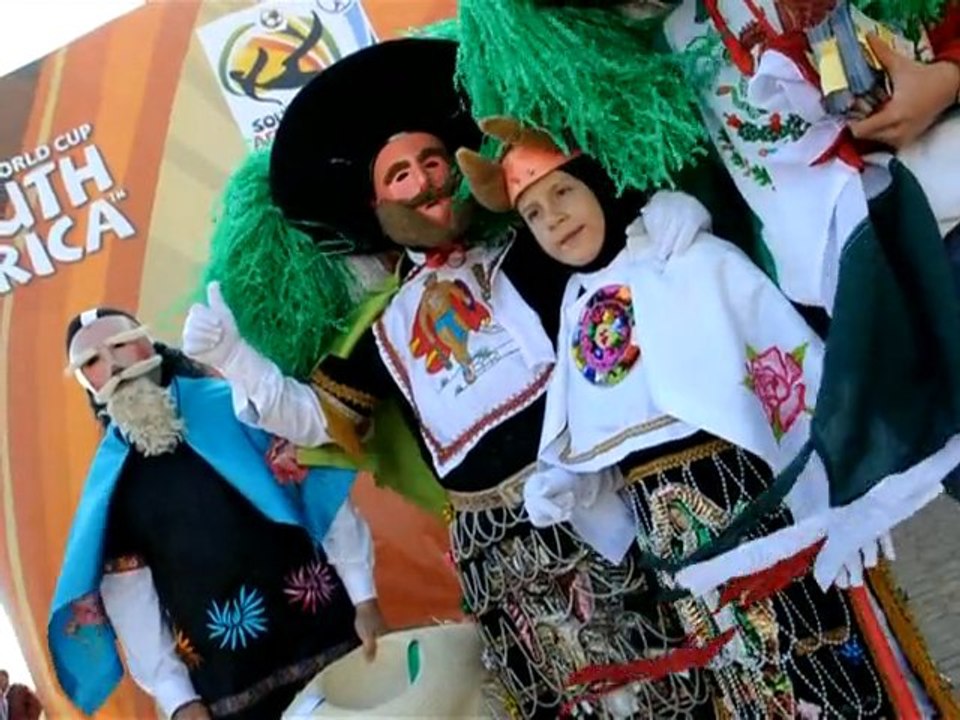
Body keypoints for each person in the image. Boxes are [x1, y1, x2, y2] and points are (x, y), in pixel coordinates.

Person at [186, 38, 715, 718]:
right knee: (576, 698)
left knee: (680, 662)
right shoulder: (383, 329)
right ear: (377, 205)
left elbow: (602, 247)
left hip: (605, 492)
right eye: (401, 174)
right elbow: (323, 421)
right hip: (501, 551)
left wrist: (653, 218)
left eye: (433, 161)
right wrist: (239, 361)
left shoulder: (527, 246)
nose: (426, 181)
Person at [458, 116, 957, 717]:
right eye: (534, 213)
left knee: (823, 654)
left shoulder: (689, 259)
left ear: (599, 182)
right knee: (746, 679)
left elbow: (790, 368)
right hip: (676, 547)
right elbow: (595, 427)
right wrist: (566, 479)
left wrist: (844, 494)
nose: (554, 218)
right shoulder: (577, 309)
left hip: (758, 504)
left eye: (563, 191)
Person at [49, 308, 384, 720]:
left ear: (148, 343)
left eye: (119, 344)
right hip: (230, 690)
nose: (113, 364)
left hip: (327, 639)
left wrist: (364, 597)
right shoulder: (111, 487)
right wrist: (178, 699)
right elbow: (131, 598)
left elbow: (319, 497)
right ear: (85, 384)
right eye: (91, 362)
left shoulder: (235, 406)